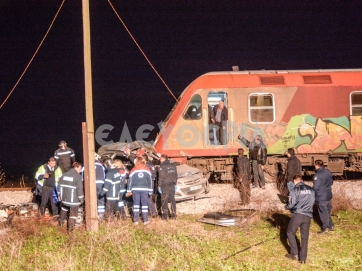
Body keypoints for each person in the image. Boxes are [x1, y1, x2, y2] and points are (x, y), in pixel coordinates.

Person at [285, 175, 315, 264]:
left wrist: (286, 206)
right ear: (302, 180)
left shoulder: (295, 190)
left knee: (290, 233)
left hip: (298, 214)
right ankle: (303, 258)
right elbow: (313, 201)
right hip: (308, 216)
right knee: (305, 237)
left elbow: (291, 204)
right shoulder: (311, 189)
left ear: (295, 181)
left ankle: (294, 254)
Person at [57, 162, 84, 232]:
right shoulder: (78, 177)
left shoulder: (64, 174)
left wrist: (59, 195)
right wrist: (81, 199)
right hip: (73, 200)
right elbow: (79, 189)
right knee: (73, 215)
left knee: (63, 210)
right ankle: (70, 231)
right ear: (76, 167)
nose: (80, 171)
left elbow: (59, 185)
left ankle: (60, 225)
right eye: (80, 169)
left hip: (64, 199)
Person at [127, 156, 152, 225]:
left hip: (135, 190)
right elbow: (150, 181)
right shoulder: (147, 169)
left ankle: (136, 221)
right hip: (145, 189)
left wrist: (128, 190)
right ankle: (145, 220)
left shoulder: (133, 170)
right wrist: (150, 190)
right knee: (144, 205)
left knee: (136, 204)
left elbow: (130, 181)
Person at [313, 160, 334, 234]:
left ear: (316, 165)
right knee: (327, 211)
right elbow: (331, 182)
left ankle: (326, 228)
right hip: (328, 194)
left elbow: (315, 187)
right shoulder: (328, 172)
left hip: (321, 196)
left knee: (323, 212)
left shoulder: (317, 175)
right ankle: (331, 225)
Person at [158, 154, 178, 220]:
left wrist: (159, 186)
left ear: (163, 159)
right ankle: (174, 215)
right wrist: (175, 184)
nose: (159, 160)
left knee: (164, 200)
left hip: (165, 185)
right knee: (172, 200)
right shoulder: (173, 166)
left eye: (160, 159)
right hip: (172, 185)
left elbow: (161, 177)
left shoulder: (162, 166)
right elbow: (176, 176)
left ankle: (165, 216)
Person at [95, 154, 106, 219]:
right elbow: (104, 177)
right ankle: (101, 216)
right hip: (100, 184)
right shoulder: (101, 166)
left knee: (91, 200)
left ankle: (92, 214)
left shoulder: (86, 166)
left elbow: (82, 177)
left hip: (90, 185)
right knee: (101, 200)